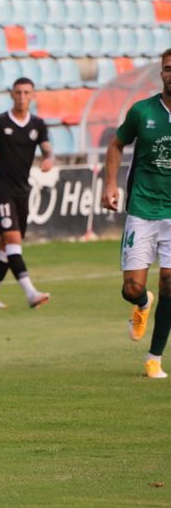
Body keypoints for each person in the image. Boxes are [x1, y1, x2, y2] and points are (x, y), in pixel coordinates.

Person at [102, 48, 171, 379]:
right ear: (161, 73)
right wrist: (110, 184)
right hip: (142, 209)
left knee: (170, 280)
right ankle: (142, 303)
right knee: (131, 287)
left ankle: (154, 357)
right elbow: (116, 145)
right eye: (168, 68)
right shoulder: (142, 111)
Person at [0, 77, 54, 309]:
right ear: (11, 95)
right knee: (13, 239)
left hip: (22, 191)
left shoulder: (38, 125)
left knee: (5, 246)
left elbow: (47, 149)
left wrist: (48, 159)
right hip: (0, 190)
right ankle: (31, 293)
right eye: (18, 92)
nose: (22, 97)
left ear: (33, 96)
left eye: (26, 93)